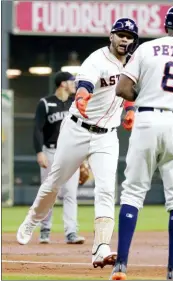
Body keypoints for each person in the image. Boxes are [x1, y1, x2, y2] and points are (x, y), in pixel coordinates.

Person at [17, 18, 139, 268]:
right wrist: (82, 96)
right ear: (111, 36)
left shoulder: (134, 62)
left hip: (107, 135)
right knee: (54, 182)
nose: (125, 39)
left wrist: (130, 110)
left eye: (129, 35)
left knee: (106, 189)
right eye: (121, 34)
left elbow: (128, 89)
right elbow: (84, 84)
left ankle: (101, 248)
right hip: (77, 129)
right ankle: (32, 219)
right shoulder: (96, 59)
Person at [110, 5, 173, 280]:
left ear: (165, 27)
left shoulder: (146, 49)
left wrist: (146, 90)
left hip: (145, 120)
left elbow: (122, 88)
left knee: (132, 192)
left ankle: (120, 265)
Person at [32, 71, 87, 244]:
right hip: (51, 152)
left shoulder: (75, 104)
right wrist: (39, 152)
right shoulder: (46, 103)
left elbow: (82, 131)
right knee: (49, 192)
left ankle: (71, 232)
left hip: (71, 152)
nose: (74, 84)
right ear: (63, 84)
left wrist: (83, 157)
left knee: (70, 193)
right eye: (72, 81)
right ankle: (45, 229)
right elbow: (37, 129)